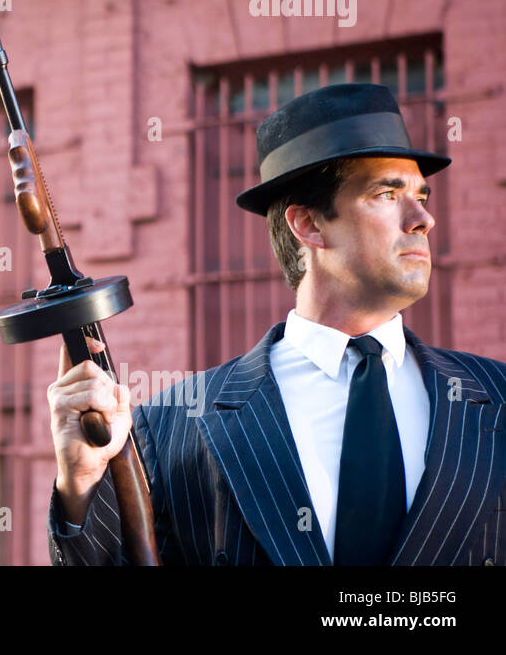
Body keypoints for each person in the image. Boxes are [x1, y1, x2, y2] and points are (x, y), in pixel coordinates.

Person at [47, 83, 506, 565]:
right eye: (387, 194)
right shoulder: (171, 429)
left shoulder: (496, 399)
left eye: (421, 195)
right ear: (308, 225)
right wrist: (78, 489)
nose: (423, 219)